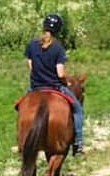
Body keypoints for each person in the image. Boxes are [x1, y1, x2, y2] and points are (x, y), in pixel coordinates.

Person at [23, 13, 84, 156]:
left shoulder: (32, 44)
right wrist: (66, 82)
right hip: (55, 87)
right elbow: (61, 74)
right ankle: (78, 143)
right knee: (78, 110)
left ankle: (22, 141)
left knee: (22, 107)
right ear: (59, 30)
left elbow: (31, 66)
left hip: (35, 86)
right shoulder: (58, 48)